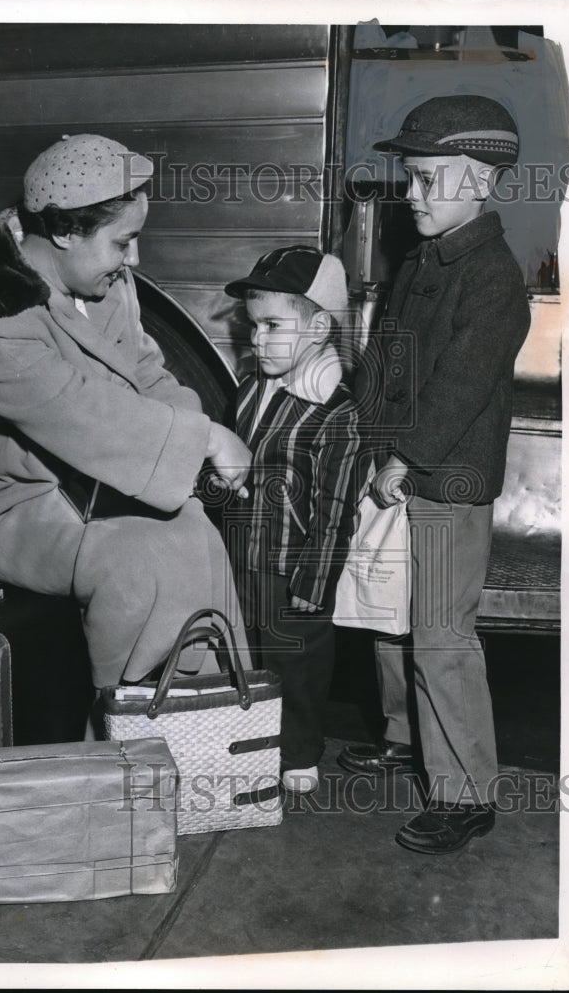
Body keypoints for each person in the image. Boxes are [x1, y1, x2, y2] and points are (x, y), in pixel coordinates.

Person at [0, 133, 252, 693]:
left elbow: (150, 375)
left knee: (197, 536)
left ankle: (210, 724)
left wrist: (200, 436)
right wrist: (205, 438)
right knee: (137, 564)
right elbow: (81, 413)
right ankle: (127, 745)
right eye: (123, 242)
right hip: (23, 505)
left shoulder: (110, 284)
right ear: (64, 231)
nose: (134, 259)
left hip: (97, 485)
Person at [337, 95, 532, 853]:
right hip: (390, 471)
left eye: (425, 180)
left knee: (440, 636)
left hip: (442, 480)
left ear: (480, 180)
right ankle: (401, 738)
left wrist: (402, 458)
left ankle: (464, 792)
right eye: (408, 178)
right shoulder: (421, 259)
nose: (409, 195)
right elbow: (384, 357)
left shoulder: (490, 277)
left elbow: (459, 382)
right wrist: (352, 436)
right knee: (387, 620)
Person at [223, 246, 364, 794]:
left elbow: (336, 506)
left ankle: (299, 750)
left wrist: (315, 577)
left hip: (294, 563)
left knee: (297, 662)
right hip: (243, 553)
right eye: (253, 325)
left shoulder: (336, 409)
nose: (257, 338)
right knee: (248, 652)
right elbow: (232, 460)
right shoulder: (250, 390)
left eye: (273, 324)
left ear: (320, 326)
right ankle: (248, 739)